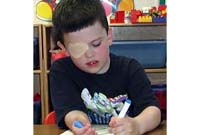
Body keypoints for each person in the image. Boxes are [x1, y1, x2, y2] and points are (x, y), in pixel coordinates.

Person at [50, 0, 161, 135]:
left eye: (96, 44)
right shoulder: (62, 71)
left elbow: (153, 111)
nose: (89, 54)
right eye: (78, 48)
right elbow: (71, 111)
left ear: (109, 36)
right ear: (64, 48)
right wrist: (80, 125)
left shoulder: (130, 69)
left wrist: (137, 125)